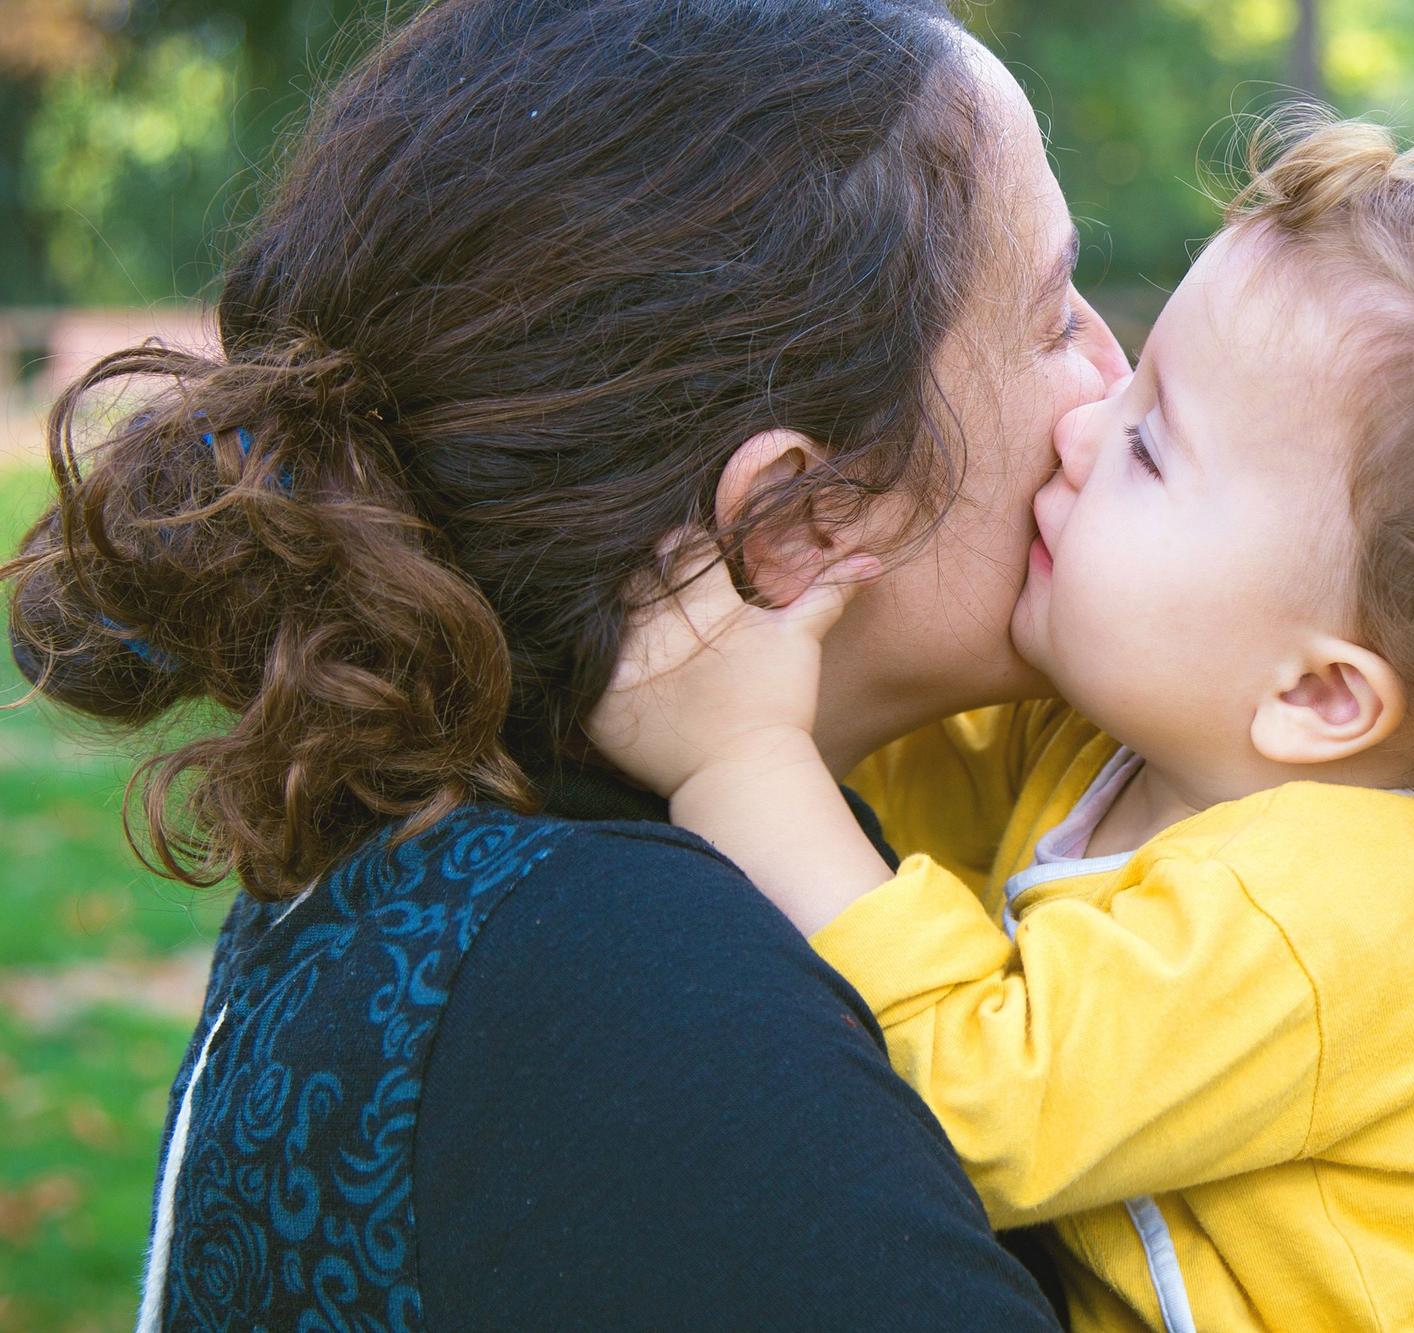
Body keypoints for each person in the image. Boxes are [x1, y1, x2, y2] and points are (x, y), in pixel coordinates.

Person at [588, 117, 1414, 1330]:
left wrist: (742, 759)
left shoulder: (1345, 914)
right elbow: (893, 815)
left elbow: (973, 1101)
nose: (1086, 423)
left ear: (1319, 696)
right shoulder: (1138, 740)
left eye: (1154, 446)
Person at [3, 0, 1130, 1326]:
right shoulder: (652, 1019)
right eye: (1056, 313)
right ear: (796, 520)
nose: (1118, 377)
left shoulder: (479, 871)